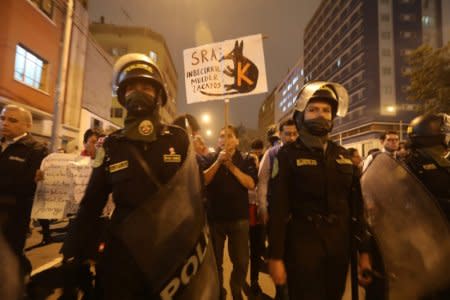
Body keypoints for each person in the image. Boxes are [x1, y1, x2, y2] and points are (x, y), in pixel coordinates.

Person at [62, 53, 218, 300]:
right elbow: (91, 204)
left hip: (172, 253)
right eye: (131, 87)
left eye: (146, 87)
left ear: (158, 95)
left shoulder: (178, 139)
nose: (138, 92)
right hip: (124, 257)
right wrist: (73, 254)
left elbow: (197, 198)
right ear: (122, 96)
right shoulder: (111, 145)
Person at [267, 81, 372, 300]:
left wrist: (365, 252)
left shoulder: (343, 155)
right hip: (302, 247)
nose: (321, 115)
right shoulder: (286, 156)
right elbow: (277, 209)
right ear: (301, 116)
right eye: (313, 110)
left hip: (338, 247)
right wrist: (275, 256)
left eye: (326, 111)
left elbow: (357, 208)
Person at [202, 125, 258, 300]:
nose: (225, 139)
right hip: (215, 219)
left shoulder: (246, 159)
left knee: (241, 261)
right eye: (221, 136)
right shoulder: (209, 158)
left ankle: (236, 287)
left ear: (237, 140)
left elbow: (250, 184)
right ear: (217, 141)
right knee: (215, 262)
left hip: (239, 219)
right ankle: (220, 293)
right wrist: (218, 162)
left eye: (229, 136)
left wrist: (231, 166)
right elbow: (203, 180)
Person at [402, 113, 449, 299]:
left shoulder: (443, 160)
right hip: (426, 239)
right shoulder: (411, 163)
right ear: (432, 135)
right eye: (445, 131)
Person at [257, 118, 298, 299]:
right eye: (287, 134)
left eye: (294, 134)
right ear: (280, 135)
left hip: (298, 215)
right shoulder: (271, 154)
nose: (291, 137)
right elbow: (263, 182)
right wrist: (263, 209)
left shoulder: (304, 153)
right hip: (276, 215)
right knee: (278, 255)